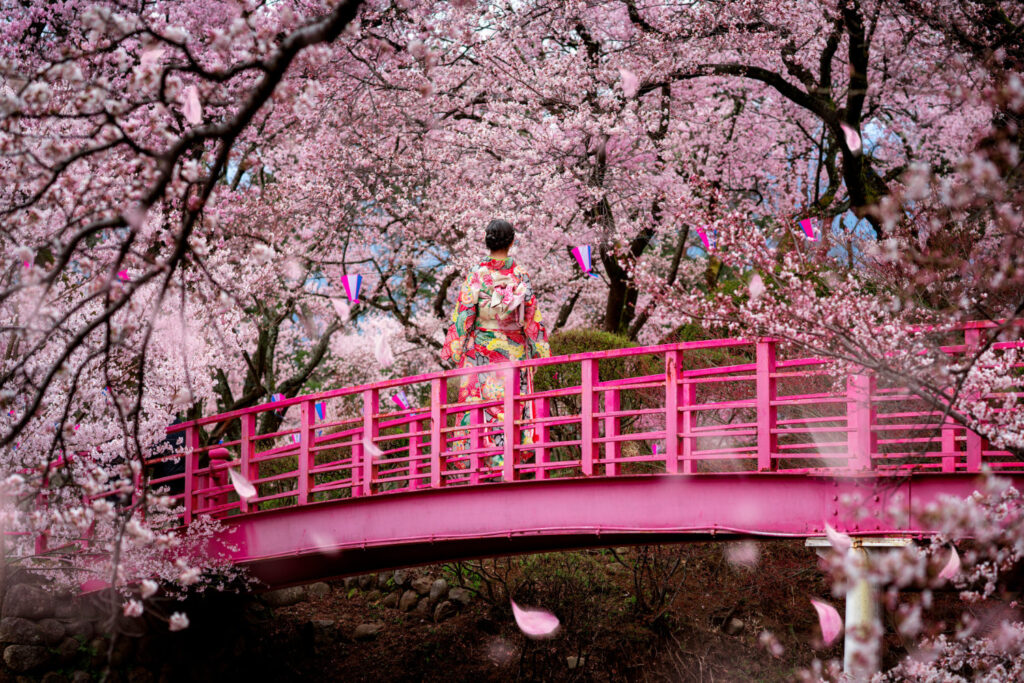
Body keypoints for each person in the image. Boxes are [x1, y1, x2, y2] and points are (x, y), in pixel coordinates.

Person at [441, 219, 550, 469]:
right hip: (514, 354)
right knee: (511, 406)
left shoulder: (476, 276)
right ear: (512, 242)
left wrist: (457, 348)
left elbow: (463, 317)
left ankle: (481, 462)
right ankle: (510, 460)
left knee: (482, 406)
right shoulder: (520, 276)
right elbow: (532, 319)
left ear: (487, 241)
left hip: (481, 354)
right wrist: (541, 350)